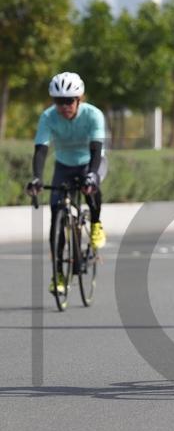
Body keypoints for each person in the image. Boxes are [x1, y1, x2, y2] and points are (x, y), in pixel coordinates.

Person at [26, 72, 107, 294]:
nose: (64, 107)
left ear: (79, 99)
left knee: (92, 186)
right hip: (64, 165)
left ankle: (95, 224)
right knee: (56, 215)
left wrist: (92, 174)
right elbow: (41, 150)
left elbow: (96, 149)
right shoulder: (48, 117)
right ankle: (58, 275)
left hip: (91, 160)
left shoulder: (93, 115)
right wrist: (37, 177)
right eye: (58, 101)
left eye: (69, 101)